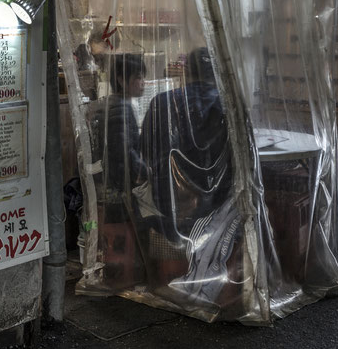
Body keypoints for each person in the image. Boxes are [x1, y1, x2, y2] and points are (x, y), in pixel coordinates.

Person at [140, 47, 231, 239]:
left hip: (167, 199)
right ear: (217, 72)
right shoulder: (229, 106)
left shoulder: (160, 102)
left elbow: (146, 152)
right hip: (217, 202)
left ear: (186, 71)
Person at [89, 53, 151, 221]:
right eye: (138, 77)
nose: (143, 82)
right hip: (116, 191)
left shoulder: (114, 103)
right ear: (121, 80)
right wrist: (146, 173)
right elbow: (123, 151)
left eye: (143, 77)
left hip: (108, 187)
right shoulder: (121, 108)